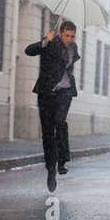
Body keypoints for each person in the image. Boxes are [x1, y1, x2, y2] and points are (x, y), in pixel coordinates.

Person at [25, 20, 80, 192]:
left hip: (65, 91)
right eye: (67, 36)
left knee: (60, 121)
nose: (70, 39)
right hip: (47, 92)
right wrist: (44, 42)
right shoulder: (49, 42)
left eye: (72, 36)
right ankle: (51, 170)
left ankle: (62, 161)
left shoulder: (74, 47)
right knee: (48, 133)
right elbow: (29, 51)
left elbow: (68, 67)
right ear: (60, 33)